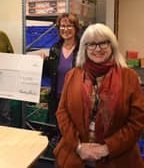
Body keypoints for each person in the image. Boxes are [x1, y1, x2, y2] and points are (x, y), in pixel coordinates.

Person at [54, 23, 144, 167]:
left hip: (117, 158)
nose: (97, 49)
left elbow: (137, 121)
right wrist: (78, 147)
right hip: (75, 156)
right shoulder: (73, 75)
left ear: (112, 45)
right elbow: (62, 112)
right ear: (85, 47)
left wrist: (108, 148)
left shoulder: (129, 77)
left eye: (103, 43)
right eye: (91, 44)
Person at [41, 13, 80, 124]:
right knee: (57, 130)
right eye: (62, 26)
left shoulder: (82, 49)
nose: (65, 29)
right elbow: (49, 73)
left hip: (75, 99)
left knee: (73, 131)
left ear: (76, 28)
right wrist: (42, 62)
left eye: (69, 26)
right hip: (57, 99)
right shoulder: (55, 49)